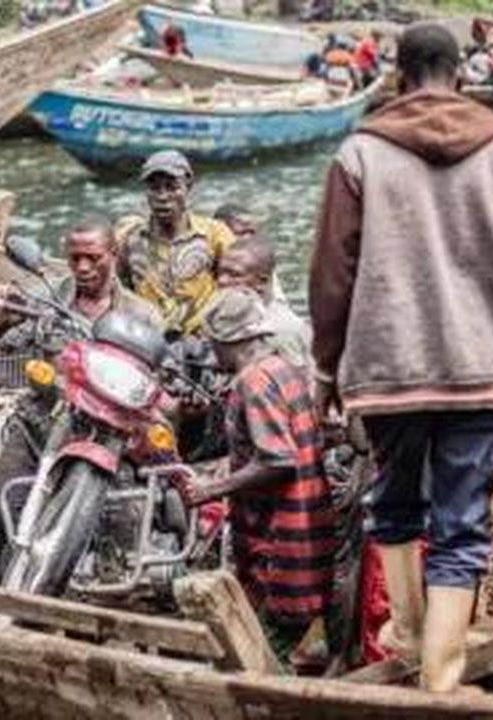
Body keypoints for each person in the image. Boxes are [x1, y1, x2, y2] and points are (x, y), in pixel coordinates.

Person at [309, 23, 493, 692]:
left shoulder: (360, 152)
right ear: (458, 73)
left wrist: (326, 368)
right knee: (463, 522)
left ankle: (415, 633)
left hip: (387, 367)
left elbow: (332, 274)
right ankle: (442, 676)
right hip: (481, 367)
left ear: (398, 75)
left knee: (393, 503)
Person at [0, 217, 162, 583]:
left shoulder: (142, 316)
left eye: (93, 257)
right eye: (74, 259)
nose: (83, 267)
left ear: (114, 255)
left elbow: (156, 381)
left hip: (103, 435)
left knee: (122, 522)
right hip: (38, 424)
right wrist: (2, 322)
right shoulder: (46, 297)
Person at [179, 288, 339, 669]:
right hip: (306, 530)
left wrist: (210, 490)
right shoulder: (285, 368)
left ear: (225, 340)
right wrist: (229, 463)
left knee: (259, 657)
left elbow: (279, 461)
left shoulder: (252, 381)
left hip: (282, 542)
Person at [116, 150, 235, 336]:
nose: (162, 197)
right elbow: (116, 289)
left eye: (171, 187)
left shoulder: (215, 235)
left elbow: (237, 288)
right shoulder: (129, 239)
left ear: (188, 186)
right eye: (154, 188)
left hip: (203, 339)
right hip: (148, 339)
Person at [215, 235, 309, 368]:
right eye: (219, 272)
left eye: (234, 274)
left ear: (262, 282)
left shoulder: (282, 330)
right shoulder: (225, 312)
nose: (222, 280)